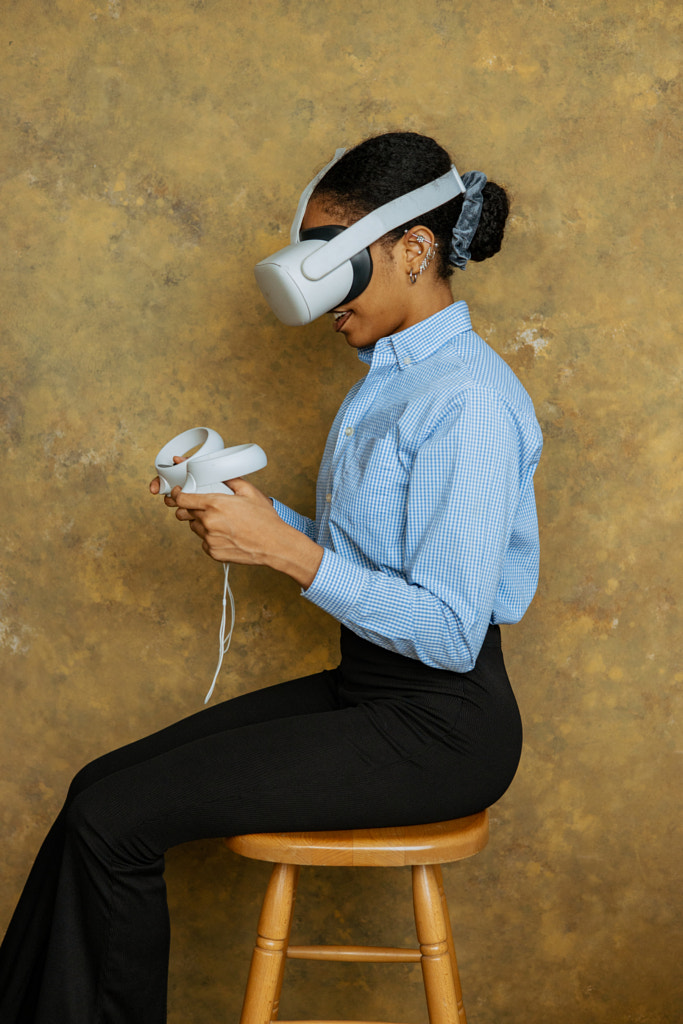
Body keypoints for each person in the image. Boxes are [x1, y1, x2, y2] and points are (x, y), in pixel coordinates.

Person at [0, 131, 542, 1024]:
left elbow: (446, 632)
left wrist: (282, 551)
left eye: (333, 256)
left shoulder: (468, 401)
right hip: (372, 692)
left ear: (414, 251)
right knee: (96, 788)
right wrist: (250, 515)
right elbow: (373, 561)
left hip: (440, 724)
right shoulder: (390, 379)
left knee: (115, 824)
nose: (316, 287)